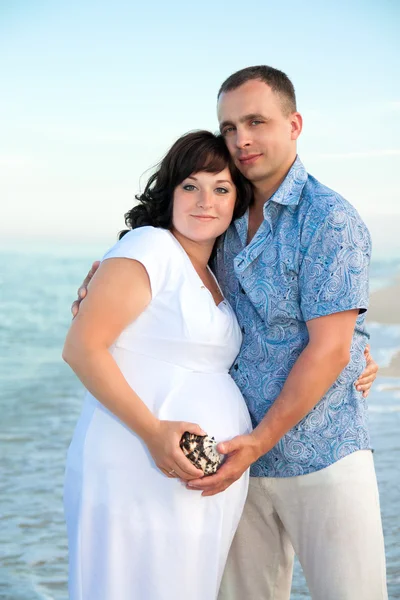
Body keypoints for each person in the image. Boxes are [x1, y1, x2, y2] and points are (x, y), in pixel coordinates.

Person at [72, 66, 384, 600]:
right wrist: (97, 284)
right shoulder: (226, 218)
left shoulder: (329, 219)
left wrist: (355, 349)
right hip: (231, 469)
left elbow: (329, 346)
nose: (241, 139)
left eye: (256, 121)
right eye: (230, 126)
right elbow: (164, 284)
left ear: (294, 124)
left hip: (319, 455)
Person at [62, 131, 254, 600]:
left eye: (221, 188)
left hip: (194, 479)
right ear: (169, 193)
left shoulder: (216, 271)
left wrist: (357, 357)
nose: (205, 201)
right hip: (137, 463)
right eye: (190, 186)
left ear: (237, 201)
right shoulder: (148, 247)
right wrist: (153, 432)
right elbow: (82, 348)